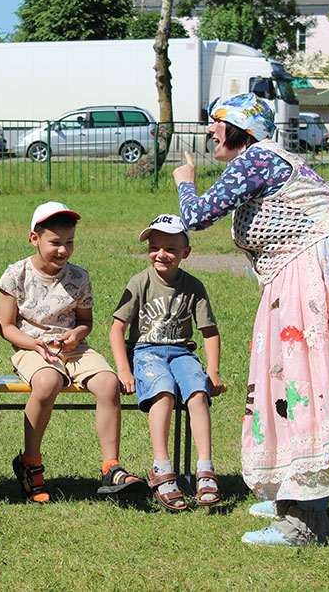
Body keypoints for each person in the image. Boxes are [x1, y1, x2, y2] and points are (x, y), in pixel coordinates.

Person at [173, 93, 329, 546]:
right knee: (293, 384)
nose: (210, 131)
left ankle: (304, 522)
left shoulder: (255, 160)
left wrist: (185, 181)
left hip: (317, 276)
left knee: (307, 386)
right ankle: (293, 492)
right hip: (312, 272)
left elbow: (195, 217)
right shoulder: (268, 160)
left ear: (240, 129)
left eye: (216, 123)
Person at [0, 201, 143, 503]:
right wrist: (35, 343)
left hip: (73, 348)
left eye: (69, 243)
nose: (63, 250)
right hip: (32, 347)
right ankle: (31, 464)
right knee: (48, 382)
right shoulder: (16, 275)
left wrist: (76, 334)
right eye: (55, 243)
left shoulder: (79, 277)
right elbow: (6, 327)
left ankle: (111, 467)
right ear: (34, 239)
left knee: (108, 383)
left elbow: (85, 322)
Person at [109, 214, 225, 512]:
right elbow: (116, 329)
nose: (161, 254)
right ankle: (161, 467)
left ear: (185, 252)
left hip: (182, 353)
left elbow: (209, 332)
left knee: (198, 392)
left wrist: (212, 371)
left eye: (171, 248)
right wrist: (123, 369)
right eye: (154, 246)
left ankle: (205, 470)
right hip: (146, 352)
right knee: (163, 392)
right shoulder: (139, 282)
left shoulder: (194, 287)